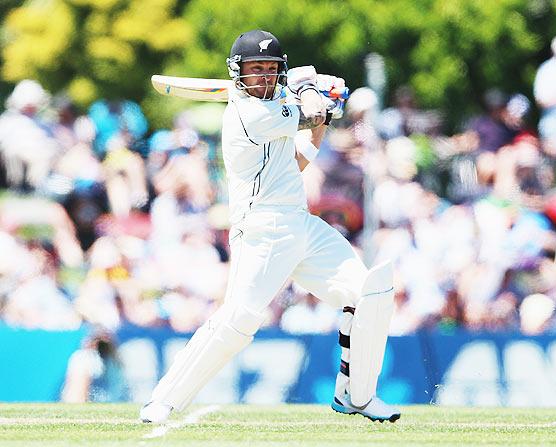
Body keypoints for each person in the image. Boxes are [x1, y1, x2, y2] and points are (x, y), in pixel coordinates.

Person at [140, 29, 400, 423]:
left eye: (270, 69)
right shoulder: (249, 113)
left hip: (300, 223)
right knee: (240, 319)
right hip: (261, 229)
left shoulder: (277, 108)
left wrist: (320, 105)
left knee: (369, 294)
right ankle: (164, 399)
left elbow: (297, 160)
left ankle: (356, 396)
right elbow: (309, 113)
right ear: (238, 72)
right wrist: (313, 90)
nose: (261, 76)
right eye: (254, 68)